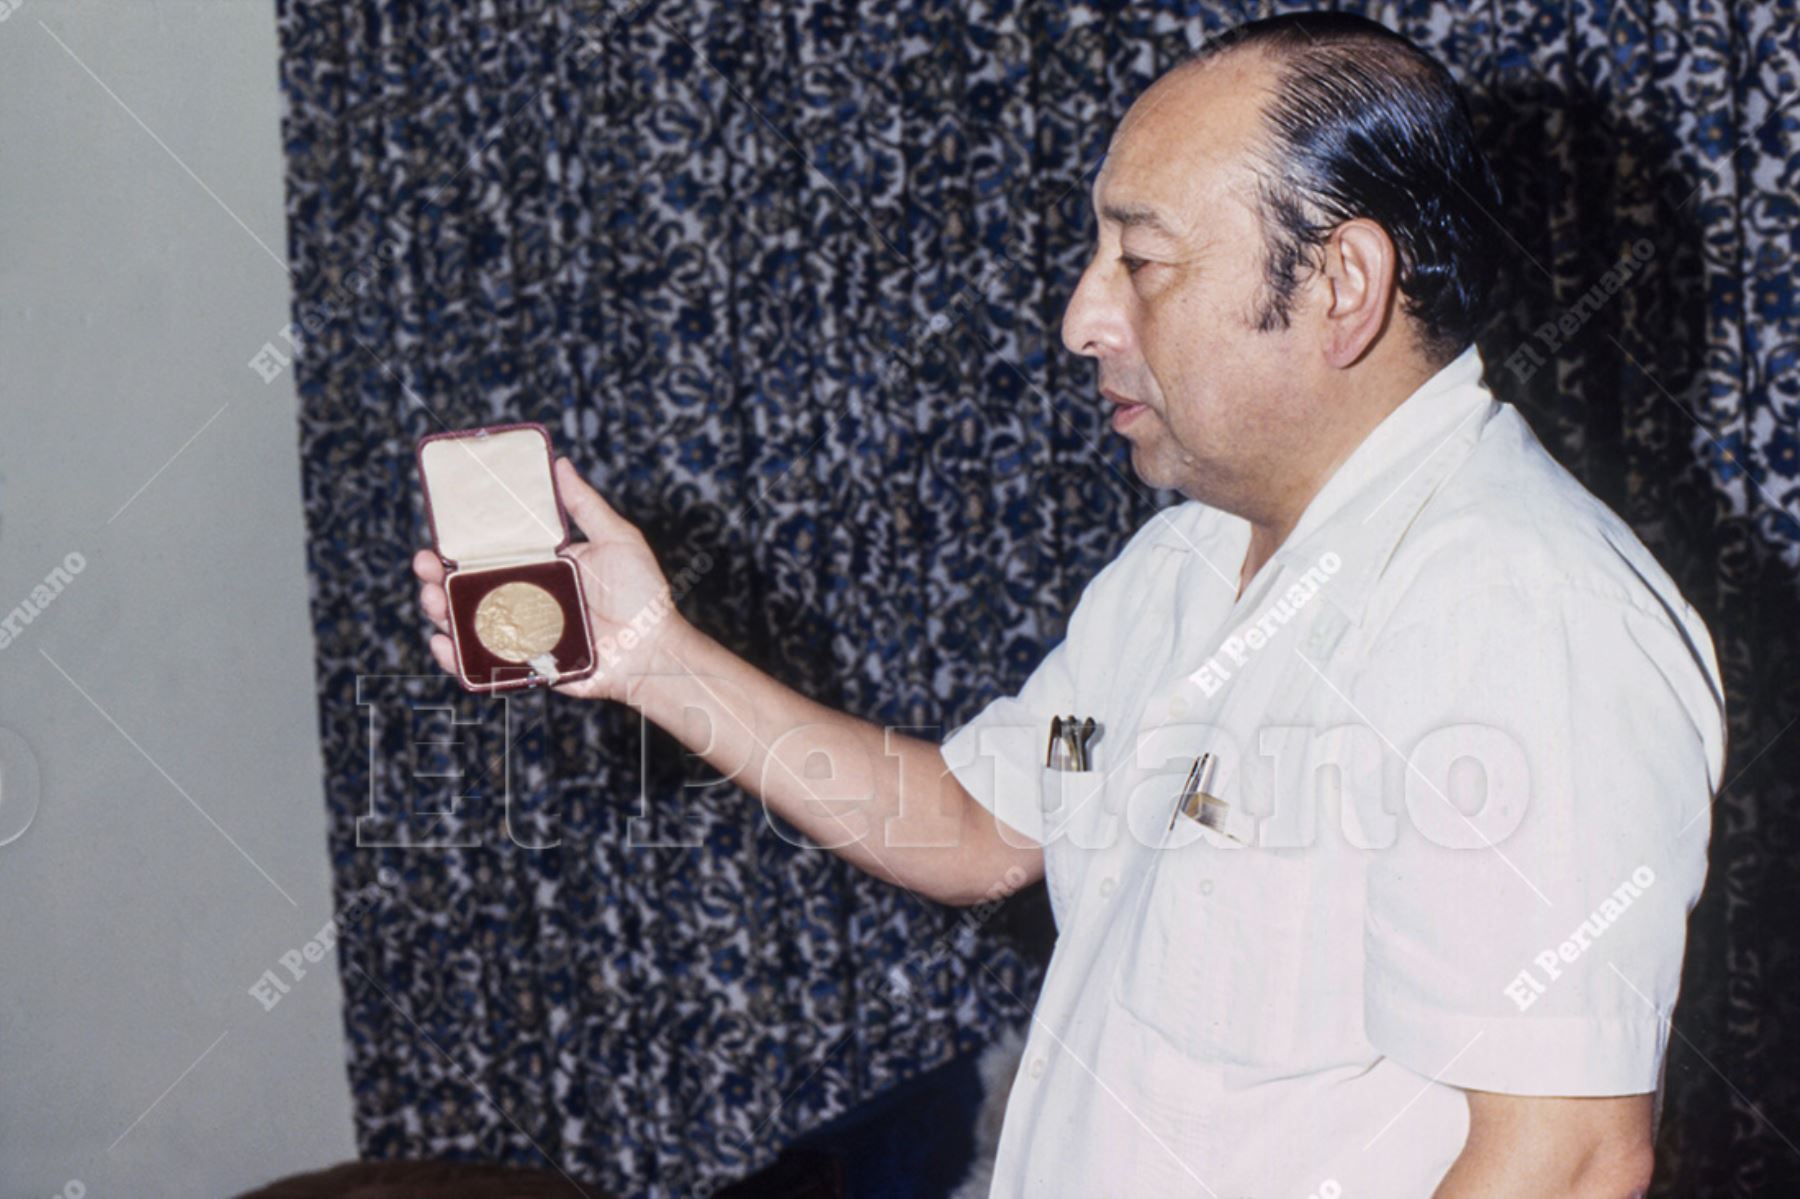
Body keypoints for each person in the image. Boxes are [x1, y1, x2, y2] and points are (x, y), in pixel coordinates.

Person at [413, 12, 1724, 1196]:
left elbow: (1564, 1161)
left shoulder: (1522, 612)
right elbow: (984, 826)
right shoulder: (1188, 561)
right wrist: (655, 659)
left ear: (1341, 287)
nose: (1081, 317)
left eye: (1140, 263)